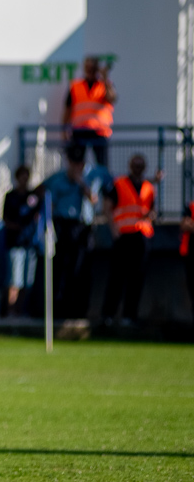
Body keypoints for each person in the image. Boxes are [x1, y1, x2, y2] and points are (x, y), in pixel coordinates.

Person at [39, 144, 99, 319]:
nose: (76, 167)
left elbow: (93, 199)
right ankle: (59, 308)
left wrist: (81, 182)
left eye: (79, 164)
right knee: (62, 267)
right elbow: (48, 200)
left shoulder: (90, 178)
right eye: (73, 163)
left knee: (82, 269)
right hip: (63, 226)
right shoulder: (57, 179)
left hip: (83, 227)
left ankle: (79, 310)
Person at [101, 154, 159, 325]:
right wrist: (113, 230)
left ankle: (129, 316)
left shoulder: (149, 187)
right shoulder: (119, 183)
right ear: (130, 165)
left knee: (137, 278)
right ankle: (108, 315)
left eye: (141, 165)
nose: (138, 168)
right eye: (135, 164)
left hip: (142, 236)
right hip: (123, 235)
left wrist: (151, 216)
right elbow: (107, 207)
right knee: (117, 277)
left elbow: (151, 210)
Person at [1, 165, 40, 316]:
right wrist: (17, 226)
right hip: (14, 243)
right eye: (21, 177)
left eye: (26, 177)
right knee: (14, 279)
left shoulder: (32, 197)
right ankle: (10, 310)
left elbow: (37, 215)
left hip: (29, 243)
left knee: (27, 280)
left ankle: (21, 310)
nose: (24, 180)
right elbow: (5, 219)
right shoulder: (10, 196)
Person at [65, 56, 116, 168]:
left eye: (93, 67)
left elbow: (112, 98)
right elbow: (67, 110)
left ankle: (101, 180)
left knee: (102, 165)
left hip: (99, 131)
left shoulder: (105, 85)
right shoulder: (75, 86)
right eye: (88, 67)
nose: (90, 70)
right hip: (79, 131)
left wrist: (105, 78)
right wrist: (64, 130)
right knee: (76, 163)